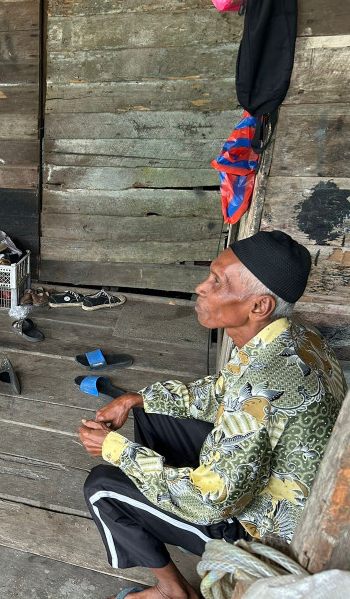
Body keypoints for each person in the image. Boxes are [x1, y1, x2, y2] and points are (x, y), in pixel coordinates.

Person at [78, 231, 347, 599]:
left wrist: (118, 451)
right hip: (257, 476)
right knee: (154, 415)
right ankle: (163, 505)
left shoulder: (262, 390)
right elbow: (220, 391)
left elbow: (211, 502)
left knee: (102, 487)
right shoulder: (294, 336)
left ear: (259, 306)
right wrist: (135, 399)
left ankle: (173, 591)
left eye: (217, 282)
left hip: (258, 526)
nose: (201, 286)